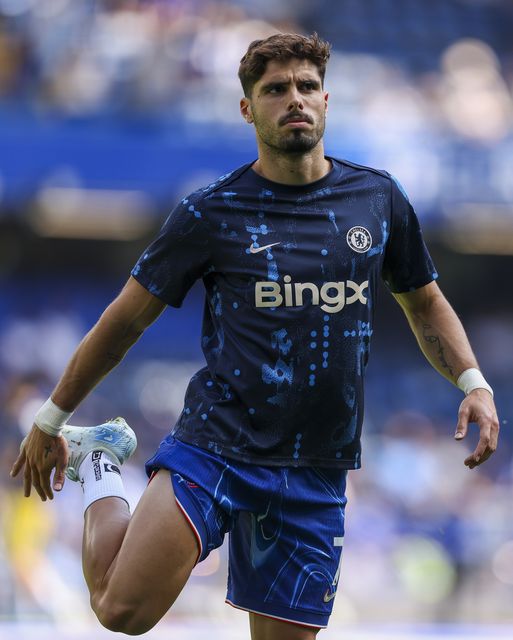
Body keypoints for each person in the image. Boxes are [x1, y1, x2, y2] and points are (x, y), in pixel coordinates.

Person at [10, 33, 499, 640]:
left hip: (316, 469)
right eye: (275, 90)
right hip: (217, 446)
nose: (294, 99)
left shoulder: (377, 199)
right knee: (121, 612)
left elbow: (425, 302)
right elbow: (124, 321)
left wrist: (473, 381)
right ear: (247, 108)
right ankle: (103, 461)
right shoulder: (210, 212)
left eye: (306, 87)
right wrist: (54, 417)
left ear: (325, 99)